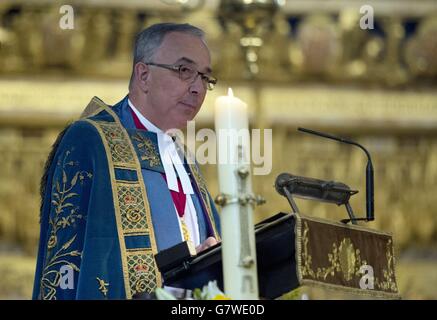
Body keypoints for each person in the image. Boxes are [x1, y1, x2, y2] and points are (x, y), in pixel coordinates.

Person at [33, 23, 221, 300]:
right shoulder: (91, 140)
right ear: (143, 75)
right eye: (184, 71)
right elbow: (66, 262)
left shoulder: (185, 159)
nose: (198, 88)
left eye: (205, 78)